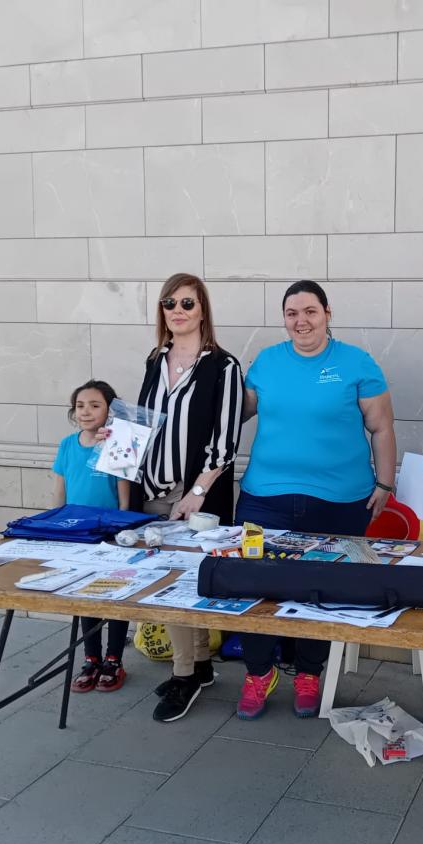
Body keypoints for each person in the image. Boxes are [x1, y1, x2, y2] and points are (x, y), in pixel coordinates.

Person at [236, 280, 396, 720]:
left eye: (310, 311)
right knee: (252, 585)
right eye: (292, 313)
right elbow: (234, 414)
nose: (300, 321)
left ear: (327, 313)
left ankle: (309, 672)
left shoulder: (356, 363)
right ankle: (258, 672)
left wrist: (384, 484)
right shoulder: (266, 363)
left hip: (340, 501)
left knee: (322, 590)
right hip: (263, 499)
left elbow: (381, 428)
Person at [132, 274, 244, 723]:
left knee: (180, 580)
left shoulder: (223, 367)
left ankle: (183, 676)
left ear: (202, 310)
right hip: (152, 488)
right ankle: (198, 666)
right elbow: (141, 422)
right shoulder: (154, 360)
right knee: (167, 577)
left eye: (187, 303)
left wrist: (197, 492)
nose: (177, 310)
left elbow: (226, 440)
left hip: (197, 494)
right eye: (169, 303)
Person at [54, 379, 132, 692]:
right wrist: (53, 527)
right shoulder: (66, 445)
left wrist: (123, 530)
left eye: (95, 405)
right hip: (76, 534)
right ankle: (92, 657)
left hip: (110, 534)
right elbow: (59, 493)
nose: (86, 412)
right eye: (81, 405)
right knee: (85, 595)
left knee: (114, 594)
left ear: (109, 411)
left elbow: (125, 498)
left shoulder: (117, 444)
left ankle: (114, 659)